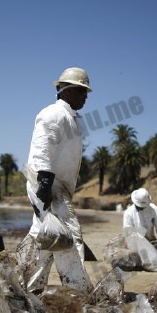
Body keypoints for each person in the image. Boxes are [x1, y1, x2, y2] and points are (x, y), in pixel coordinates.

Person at [20, 67, 94, 294]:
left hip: (55, 185)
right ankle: (79, 292)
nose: (85, 96)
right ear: (69, 90)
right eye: (82, 91)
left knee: (46, 238)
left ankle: (27, 287)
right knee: (69, 236)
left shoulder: (71, 118)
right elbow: (42, 145)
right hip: (49, 185)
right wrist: (43, 181)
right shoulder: (53, 113)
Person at [123, 188, 157, 252]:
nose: (141, 208)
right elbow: (128, 232)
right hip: (135, 245)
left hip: (152, 243)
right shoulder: (128, 213)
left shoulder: (154, 209)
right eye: (139, 207)